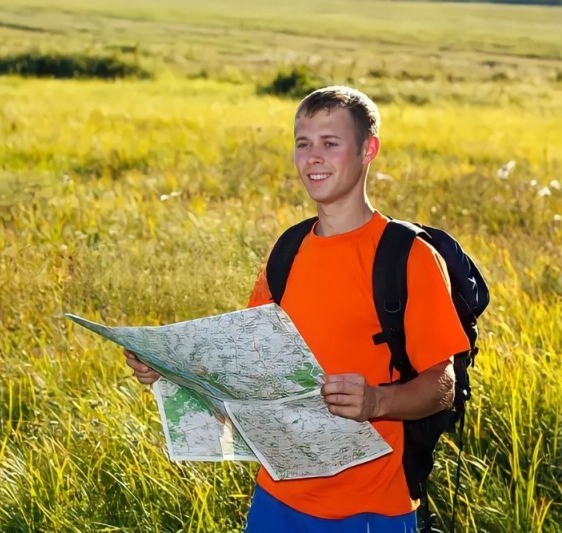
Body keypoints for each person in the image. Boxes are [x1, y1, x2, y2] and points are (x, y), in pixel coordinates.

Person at [124, 85, 470, 532]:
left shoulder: (408, 257)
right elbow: (245, 370)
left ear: (369, 150)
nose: (312, 158)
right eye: (303, 144)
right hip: (276, 498)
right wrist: (166, 370)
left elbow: (443, 384)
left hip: (372, 508)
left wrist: (376, 400)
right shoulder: (287, 250)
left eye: (330, 143)